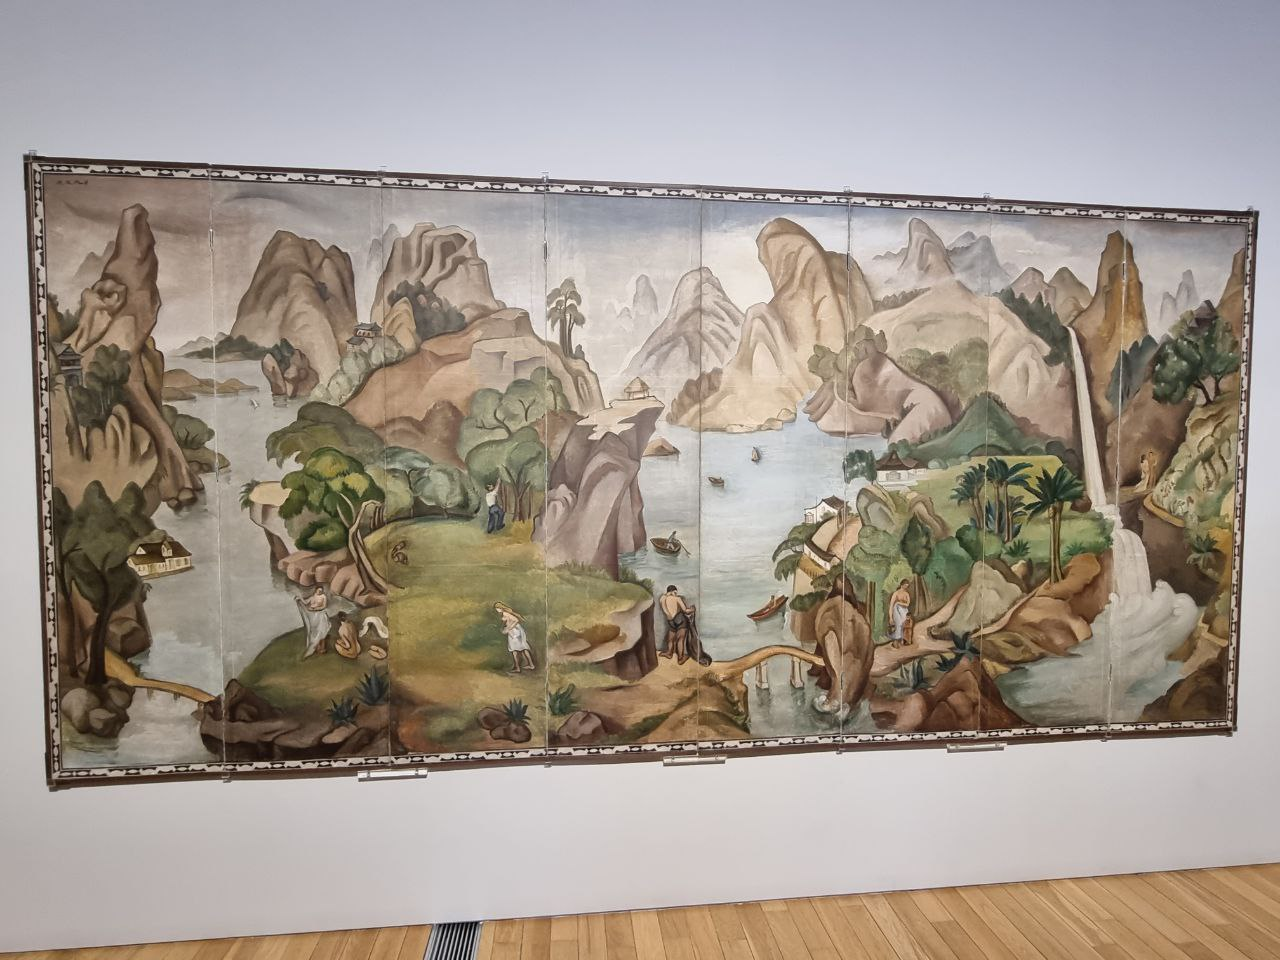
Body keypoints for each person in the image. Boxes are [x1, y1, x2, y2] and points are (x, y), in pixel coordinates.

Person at [659, 584, 695, 664]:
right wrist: (692, 610)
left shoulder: (662, 598)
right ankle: (680, 658)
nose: (676, 594)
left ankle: (669, 653)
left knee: (670, 639)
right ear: (672, 591)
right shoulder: (677, 598)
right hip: (680, 619)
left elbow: (666, 611)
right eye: (675, 592)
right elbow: (685, 610)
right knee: (680, 639)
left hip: (670, 621)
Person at [495, 602, 534, 673]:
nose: (496, 610)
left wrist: (509, 628)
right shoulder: (505, 613)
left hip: (514, 632)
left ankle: (518, 668)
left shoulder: (505, 613)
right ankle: (530, 665)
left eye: (497, 608)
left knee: (514, 649)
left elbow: (516, 620)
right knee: (522, 648)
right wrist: (506, 628)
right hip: (515, 631)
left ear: (500, 608)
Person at [887, 579, 912, 647]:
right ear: (901, 585)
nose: (906, 587)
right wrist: (891, 617)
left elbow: (907, 604)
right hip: (896, 610)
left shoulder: (906, 594)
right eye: (905, 586)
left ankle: (902, 640)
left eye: (907, 586)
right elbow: (891, 605)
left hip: (904, 611)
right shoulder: (896, 593)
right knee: (899, 623)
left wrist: (898, 602)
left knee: (904, 624)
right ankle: (896, 641)